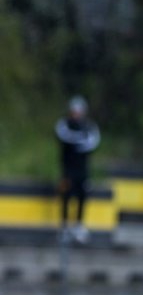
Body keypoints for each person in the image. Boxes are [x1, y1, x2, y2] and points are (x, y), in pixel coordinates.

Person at [55, 95, 101, 244]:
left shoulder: (89, 127)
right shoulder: (64, 125)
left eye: (79, 111)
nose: (76, 114)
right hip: (68, 169)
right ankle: (64, 227)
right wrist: (78, 140)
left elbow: (92, 142)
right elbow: (64, 137)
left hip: (83, 170)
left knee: (82, 196)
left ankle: (78, 226)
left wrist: (78, 142)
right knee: (66, 196)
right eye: (74, 111)